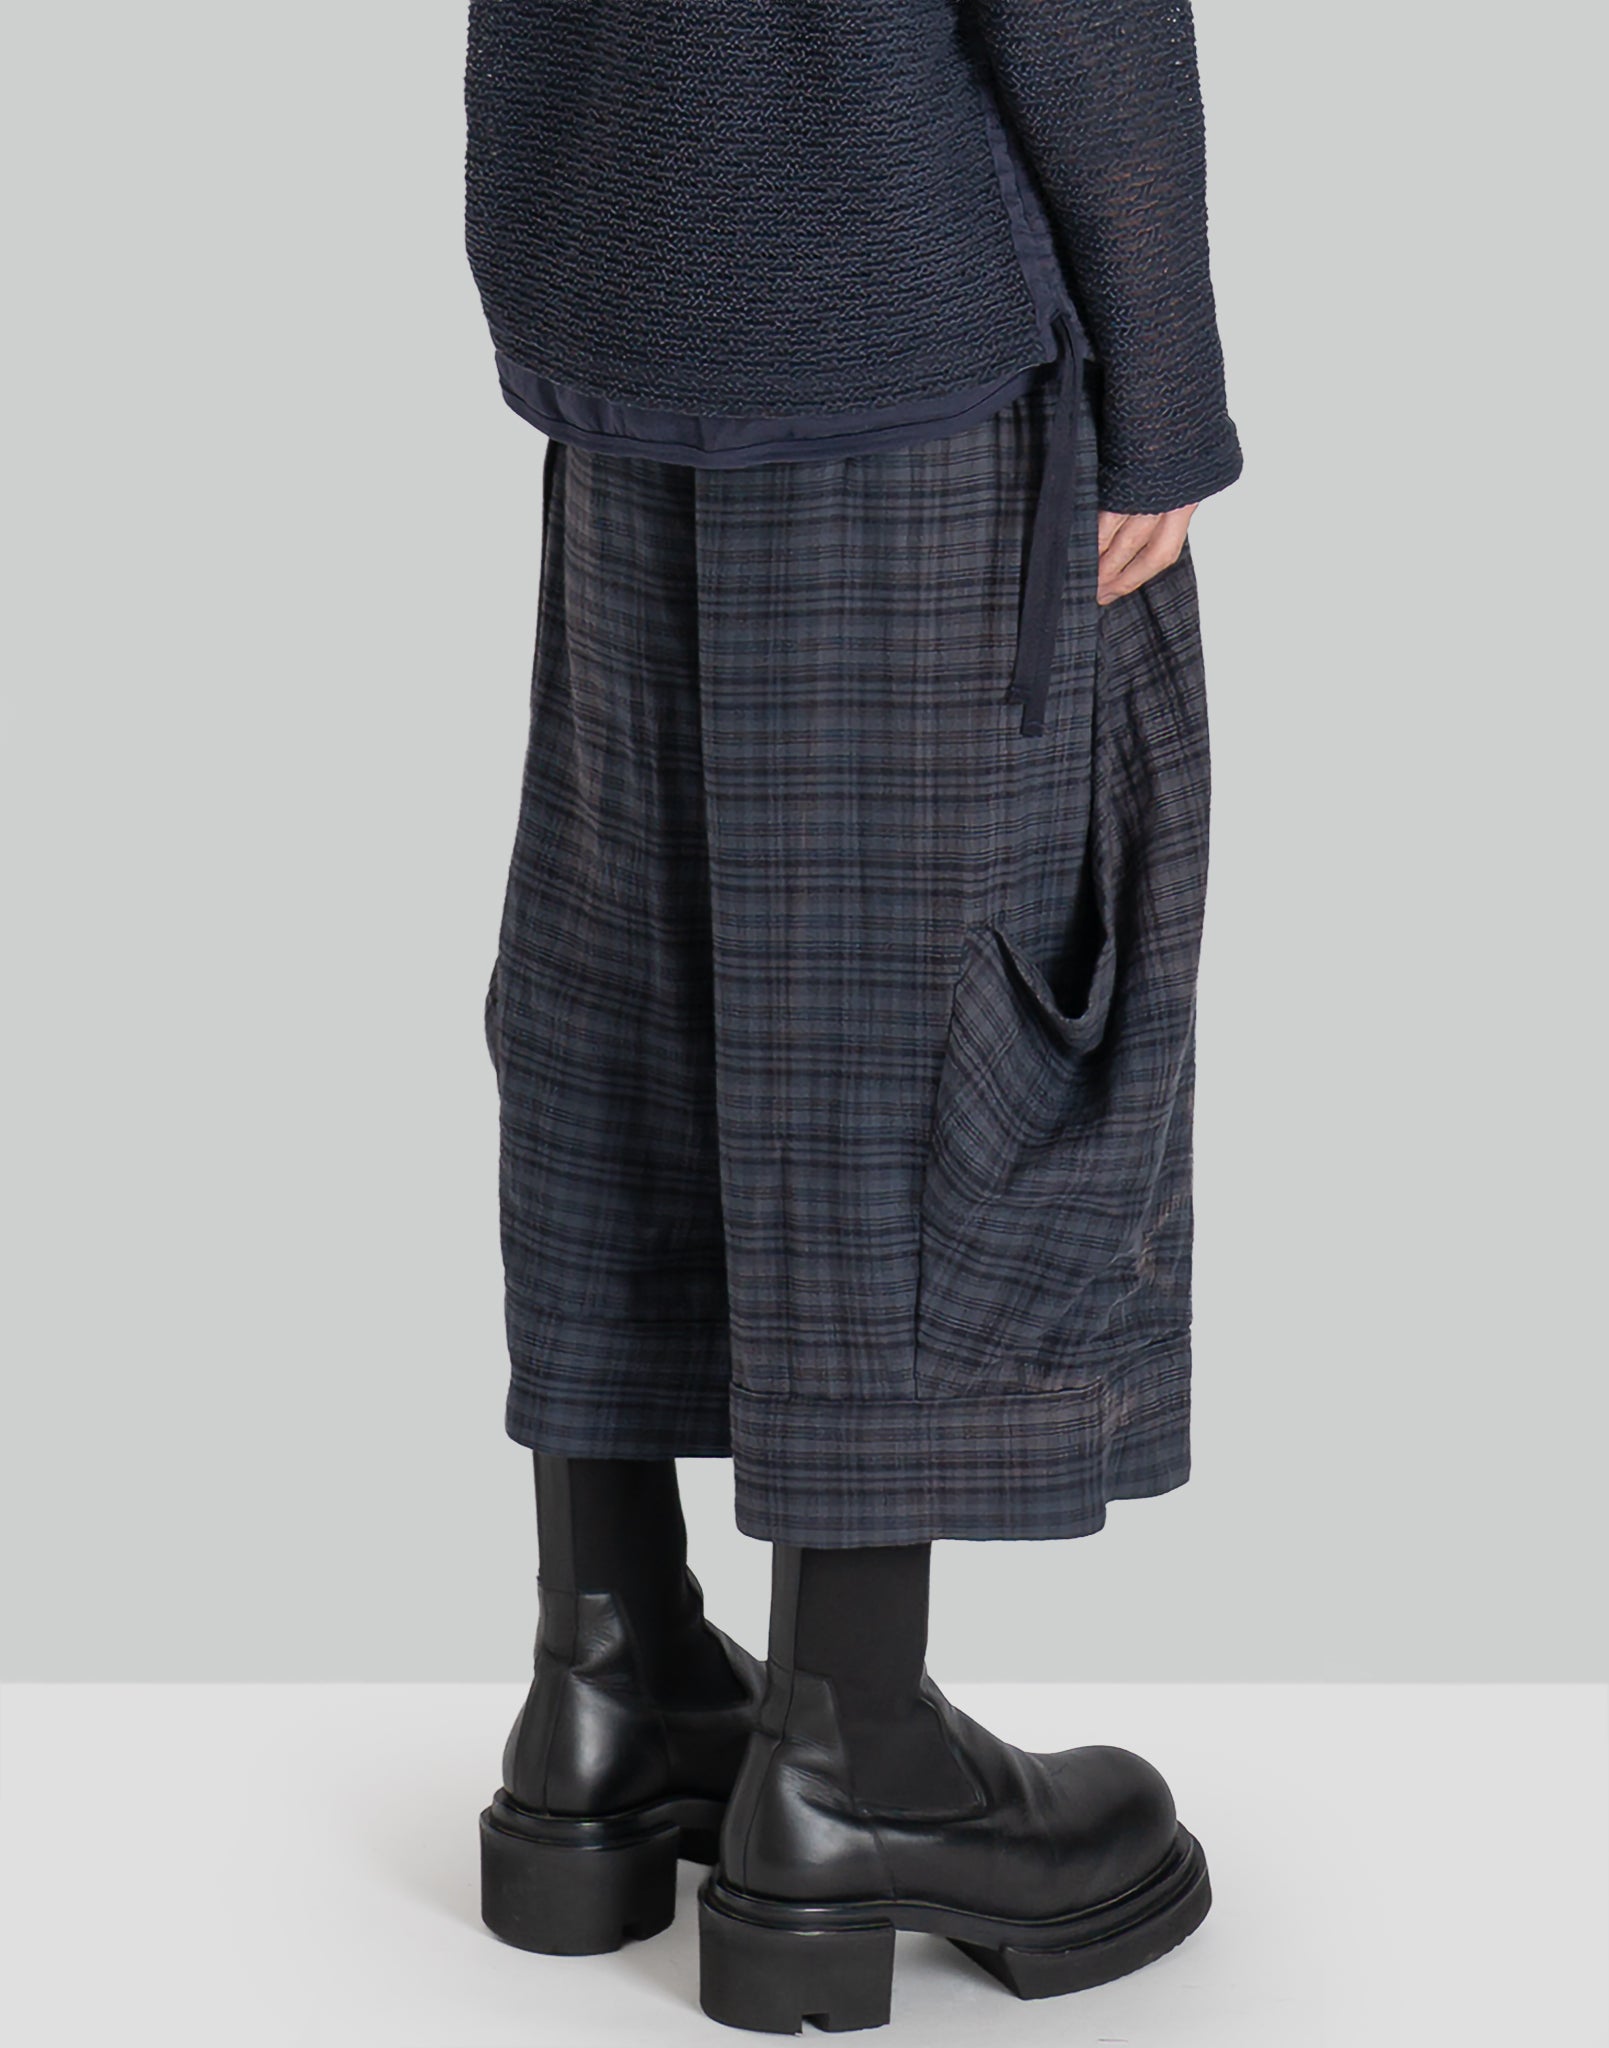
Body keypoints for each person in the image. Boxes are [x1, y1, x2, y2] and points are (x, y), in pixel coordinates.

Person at [464, 1, 1243, 2029]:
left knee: (630, 987)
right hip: (895, 313)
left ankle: (607, 1687)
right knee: (907, 1020)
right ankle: (849, 1753)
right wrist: (1163, 389)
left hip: (625, 284)